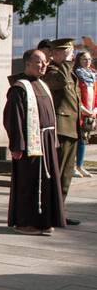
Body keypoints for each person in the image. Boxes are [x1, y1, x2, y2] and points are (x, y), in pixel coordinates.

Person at [4, 48, 65, 234]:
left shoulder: (43, 85)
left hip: (46, 141)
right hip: (30, 144)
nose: (44, 65)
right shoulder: (19, 88)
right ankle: (25, 222)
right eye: (39, 61)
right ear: (28, 63)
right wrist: (17, 145)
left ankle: (43, 220)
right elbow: (13, 118)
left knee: (46, 182)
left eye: (45, 61)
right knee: (28, 183)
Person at [44, 38, 81, 224]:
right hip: (61, 130)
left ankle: (60, 212)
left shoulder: (69, 72)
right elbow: (59, 83)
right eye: (68, 53)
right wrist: (65, 62)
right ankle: (50, 213)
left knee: (66, 176)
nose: (72, 56)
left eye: (71, 52)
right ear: (56, 54)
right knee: (57, 174)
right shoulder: (53, 71)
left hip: (72, 129)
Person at [73, 49, 96, 177]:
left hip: (90, 114)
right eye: (84, 59)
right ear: (78, 61)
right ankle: (73, 167)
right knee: (77, 140)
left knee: (84, 141)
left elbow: (96, 96)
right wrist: (85, 110)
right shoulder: (76, 75)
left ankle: (80, 166)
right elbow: (75, 97)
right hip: (80, 113)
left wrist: (94, 111)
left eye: (89, 59)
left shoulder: (93, 75)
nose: (87, 62)